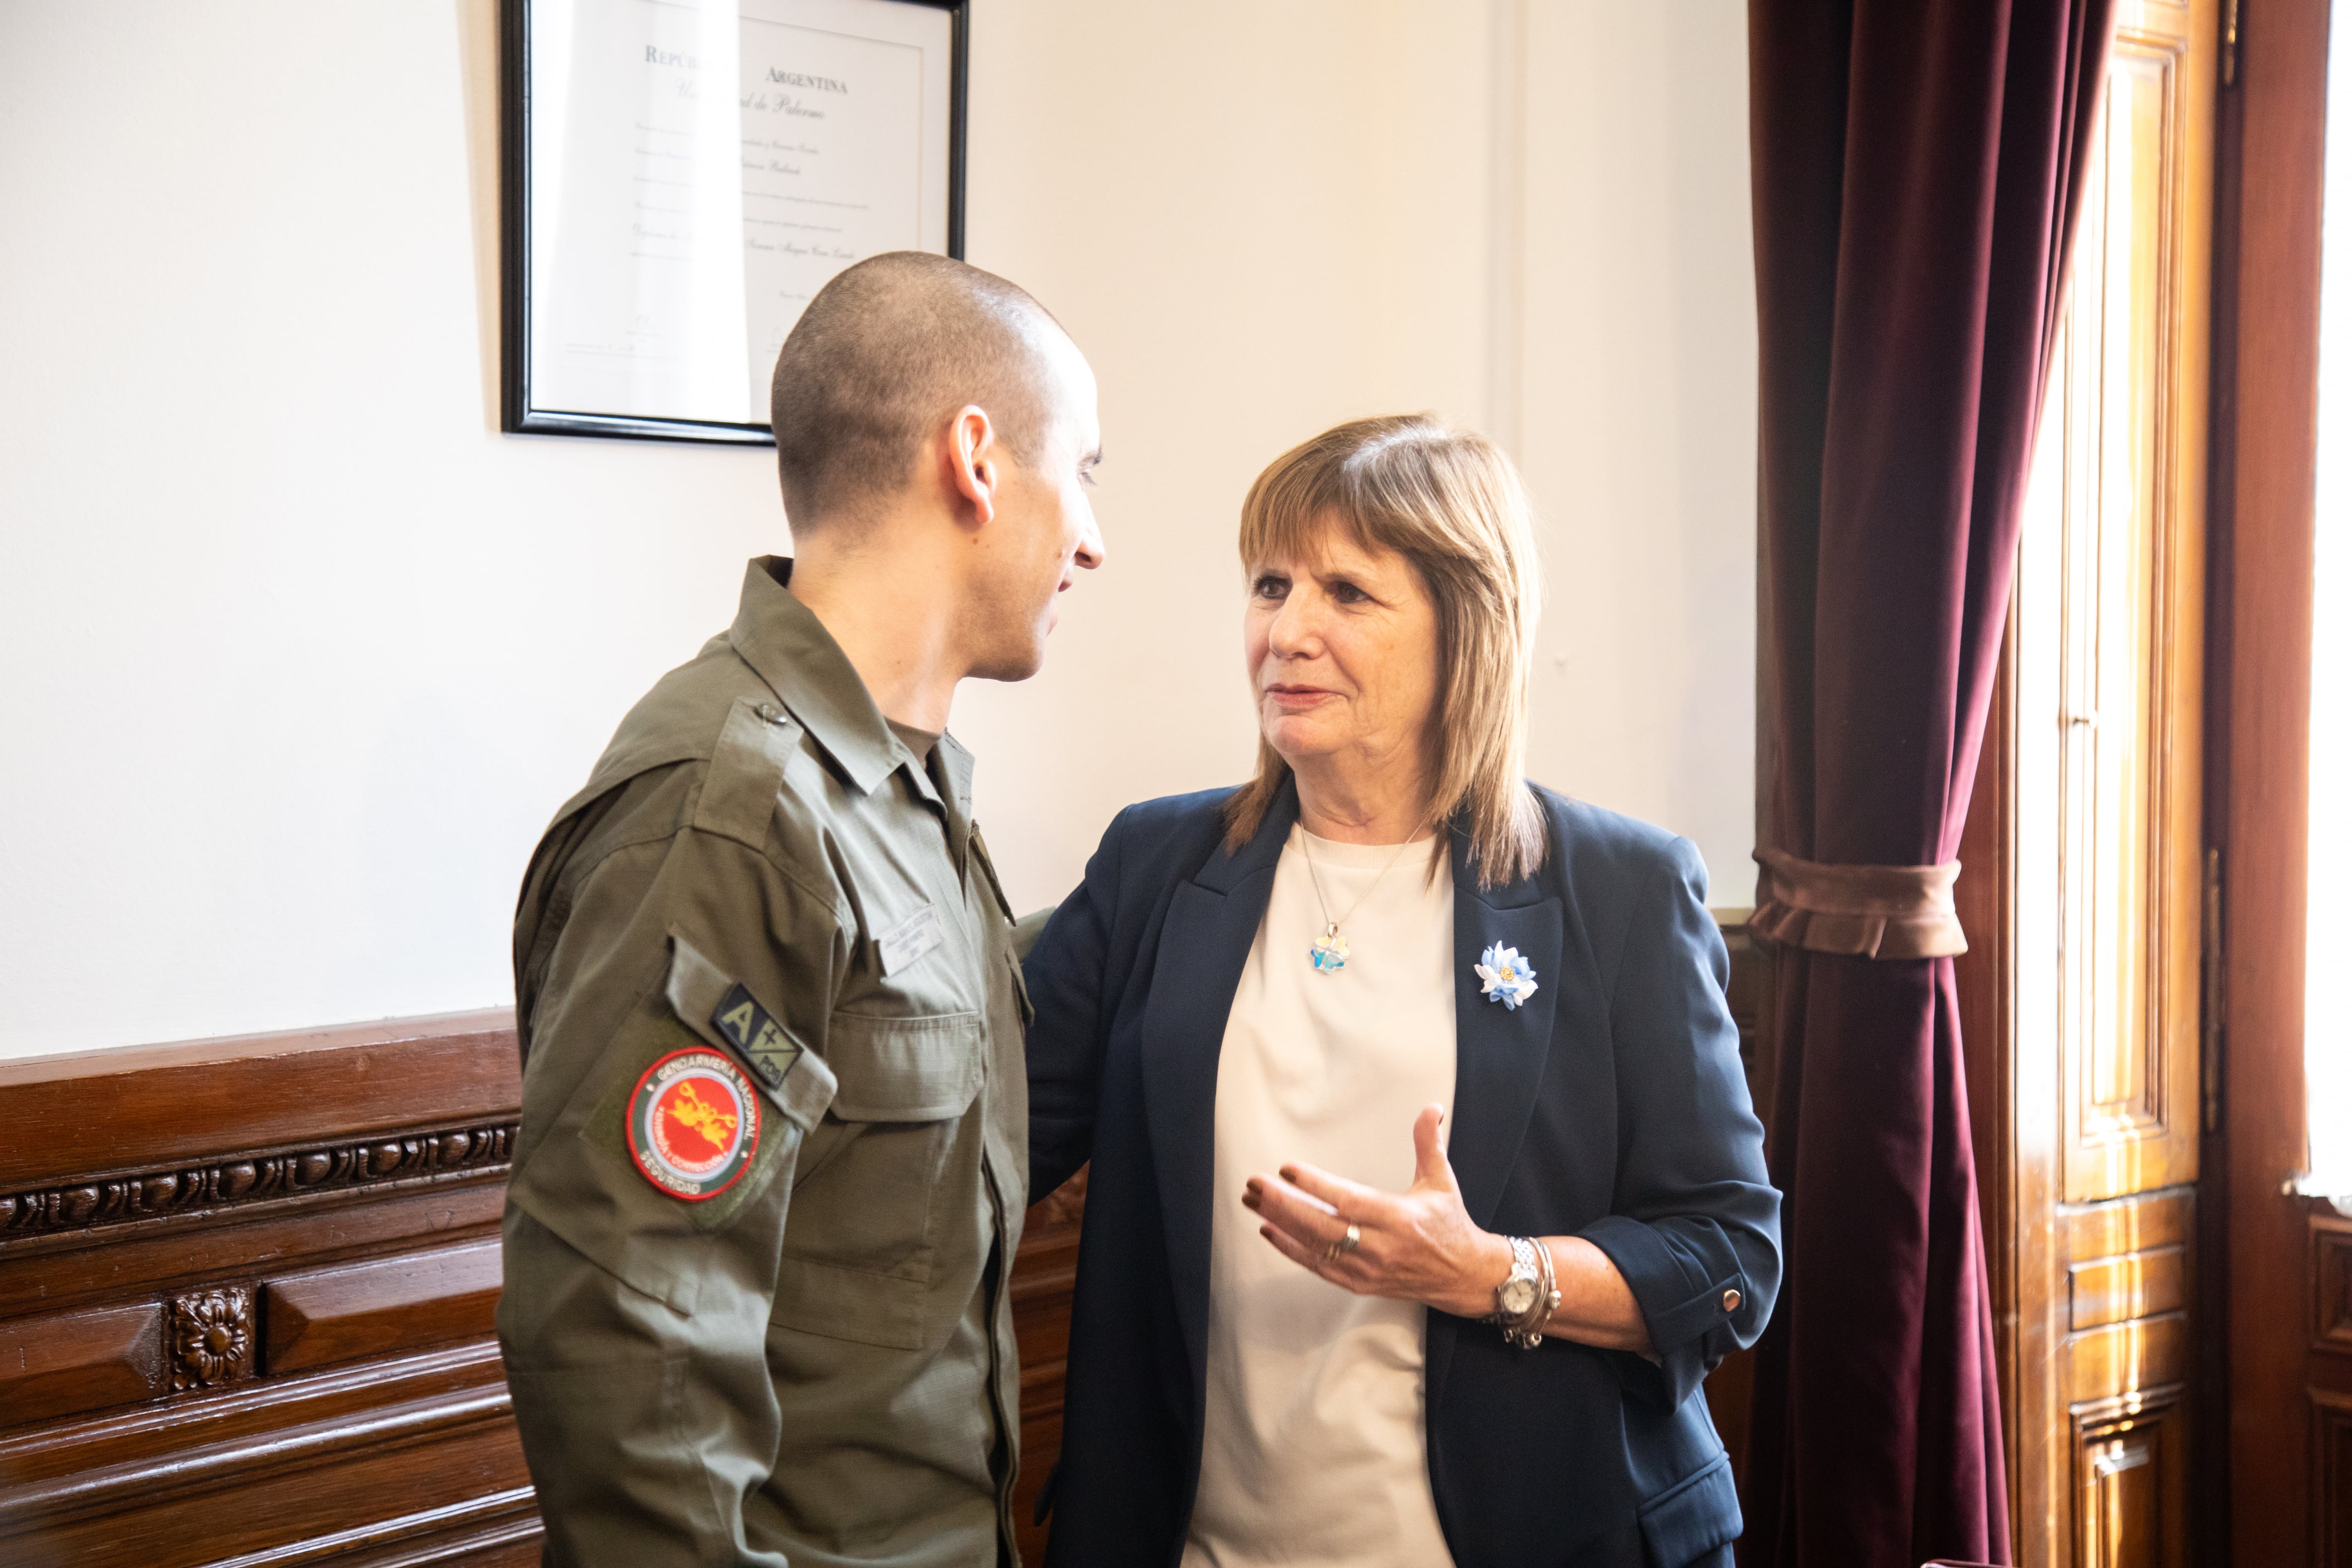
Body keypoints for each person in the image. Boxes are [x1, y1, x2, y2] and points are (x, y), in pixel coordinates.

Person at [1022, 415, 1780, 1568]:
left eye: (1347, 593)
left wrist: (1487, 1273)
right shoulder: (1155, 865)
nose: (1288, 631)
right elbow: (987, 1141)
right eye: (1270, 585)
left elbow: (1730, 1255)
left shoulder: (1619, 888)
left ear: (1465, 630)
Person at [498, 251, 1105, 1568]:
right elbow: (627, 1349)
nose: (1094, 539)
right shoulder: (734, 809)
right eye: (1087, 473)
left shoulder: (898, 793)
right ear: (979, 460)